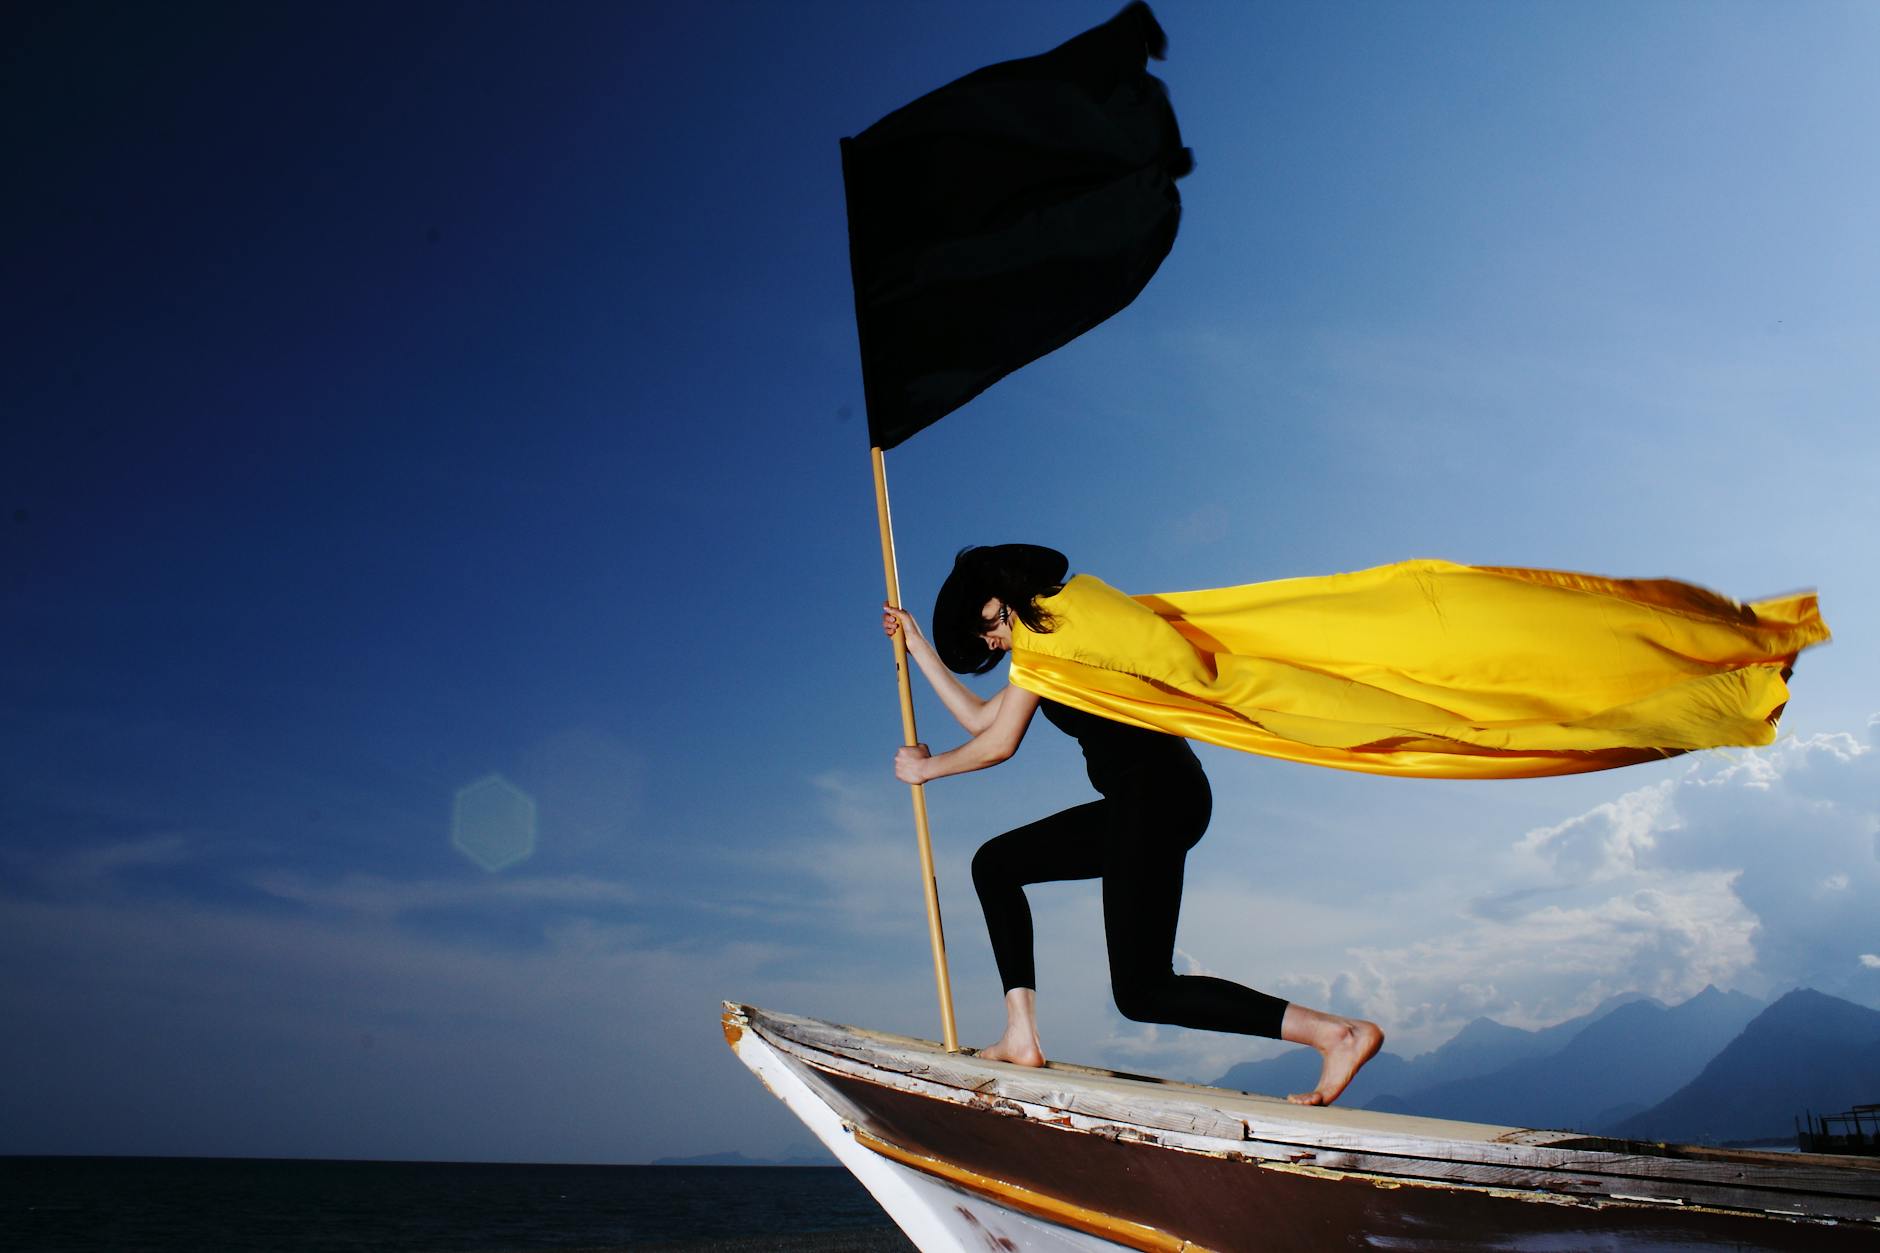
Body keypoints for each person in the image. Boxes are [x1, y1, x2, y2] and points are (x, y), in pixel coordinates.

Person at [883, 543, 1383, 1106]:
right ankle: (1021, 1035)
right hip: (1147, 801)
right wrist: (916, 646)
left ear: (1006, 599)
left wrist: (926, 769)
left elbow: (998, 746)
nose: (991, 643)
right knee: (995, 865)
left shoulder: (1050, 636)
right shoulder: (1051, 644)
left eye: (990, 627)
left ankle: (1335, 1034)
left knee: (1144, 991)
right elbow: (980, 718)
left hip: (1157, 798)